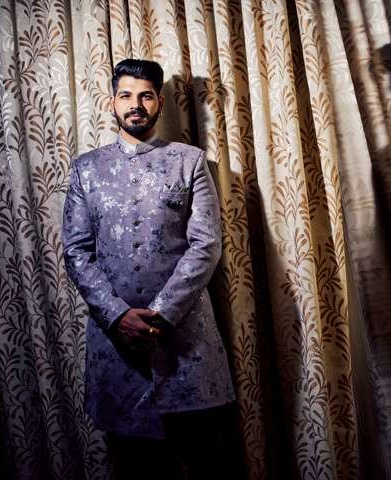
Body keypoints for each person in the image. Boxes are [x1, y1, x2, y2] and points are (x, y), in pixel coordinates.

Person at [62, 59, 242, 479]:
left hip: (186, 341)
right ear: (112, 102)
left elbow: (206, 245)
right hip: (117, 347)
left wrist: (161, 314)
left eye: (145, 96)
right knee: (135, 467)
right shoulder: (87, 169)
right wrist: (118, 315)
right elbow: (76, 251)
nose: (135, 104)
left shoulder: (189, 161)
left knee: (208, 463)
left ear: (159, 103)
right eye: (126, 95)